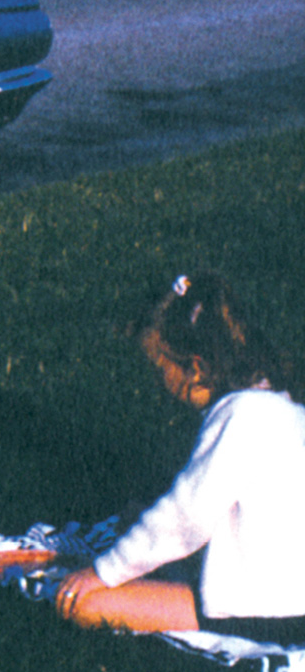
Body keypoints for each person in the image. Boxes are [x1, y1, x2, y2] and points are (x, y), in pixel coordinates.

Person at [55, 272, 305, 646]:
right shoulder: (282, 407)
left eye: (162, 368)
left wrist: (104, 571)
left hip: (269, 610)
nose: (160, 382)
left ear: (197, 368)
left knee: (84, 603)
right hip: (287, 594)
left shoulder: (239, 416)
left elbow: (185, 517)